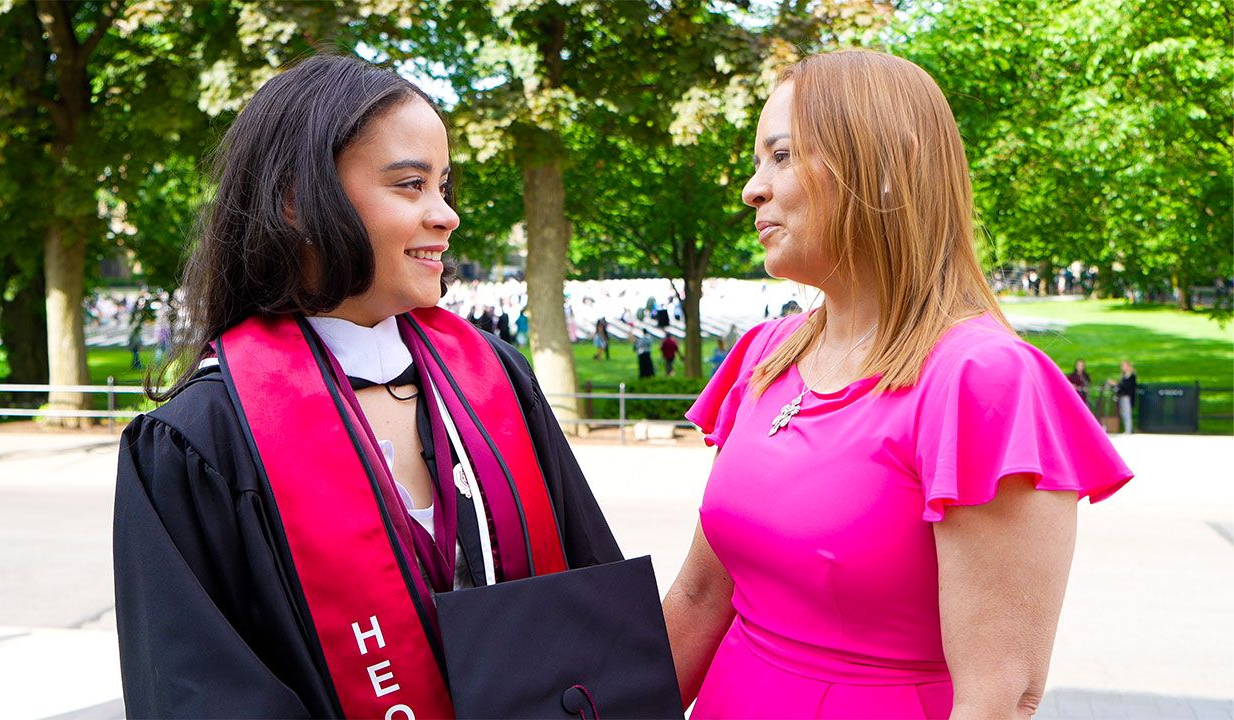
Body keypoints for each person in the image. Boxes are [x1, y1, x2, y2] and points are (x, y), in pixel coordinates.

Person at [113, 54, 621, 719]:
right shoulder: (200, 439)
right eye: (410, 185)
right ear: (296, 200)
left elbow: (593, 606)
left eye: (444, 186)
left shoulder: (493, 379)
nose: (446, 216)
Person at [663, 50, 1132, 719]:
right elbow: (698, 599)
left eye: (783, 155)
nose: (752, 189)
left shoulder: (980, 380)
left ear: (888, 168)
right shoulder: (764, 354)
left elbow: (1001, 694)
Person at [1110, 359, 1138, 434]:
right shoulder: (1124, 376)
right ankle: (1127, 429)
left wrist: (1116, 384)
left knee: (1127, 413)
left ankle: (1128, 430)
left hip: (1127, 396)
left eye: (1124, 366)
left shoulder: (1131, 376)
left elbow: (1127, 386)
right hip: (1122, 396)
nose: (1122, 367)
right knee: (1123, 413)